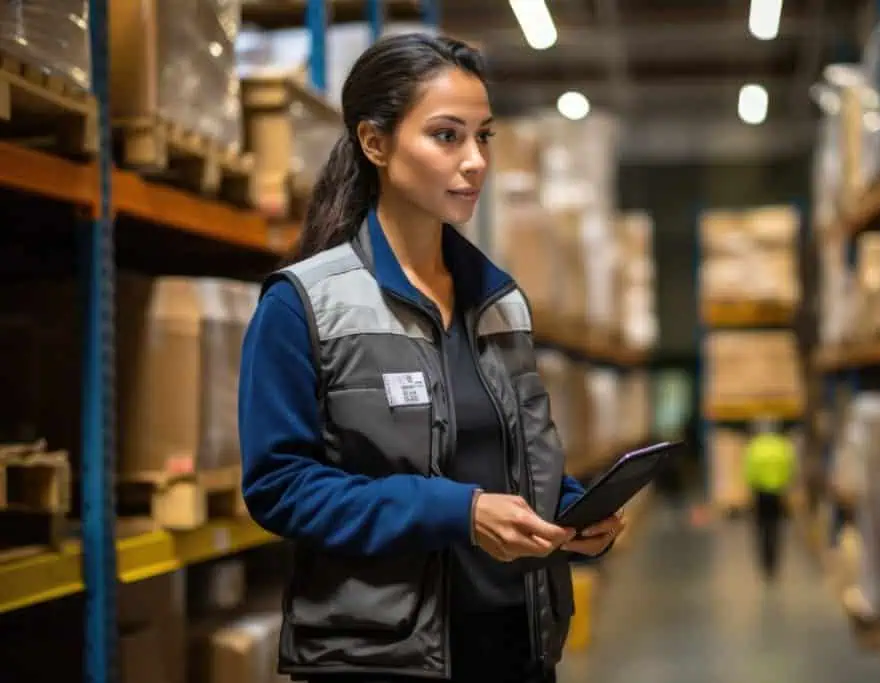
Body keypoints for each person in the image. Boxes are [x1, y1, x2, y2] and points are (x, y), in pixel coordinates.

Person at [238, 33, 623, 683]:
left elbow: (521, 459)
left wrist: (573, 510)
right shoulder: (304, 304)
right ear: (375, 143)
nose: (474, 161)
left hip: (516, 651)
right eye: (447, 136)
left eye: (484, 136)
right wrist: (459, 512)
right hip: (384, 661)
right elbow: (280, 487)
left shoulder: (501, 304)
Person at [742, 418, 796, 581]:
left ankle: (765, 562)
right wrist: (785, 484)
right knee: (776, 528)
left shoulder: (754, 446)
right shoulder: (782, 446)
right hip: (778, 492)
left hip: (760, 493)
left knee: (762, 528)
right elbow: (790, 468)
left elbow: (749, 471)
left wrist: (751, 488)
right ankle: (774, 563)